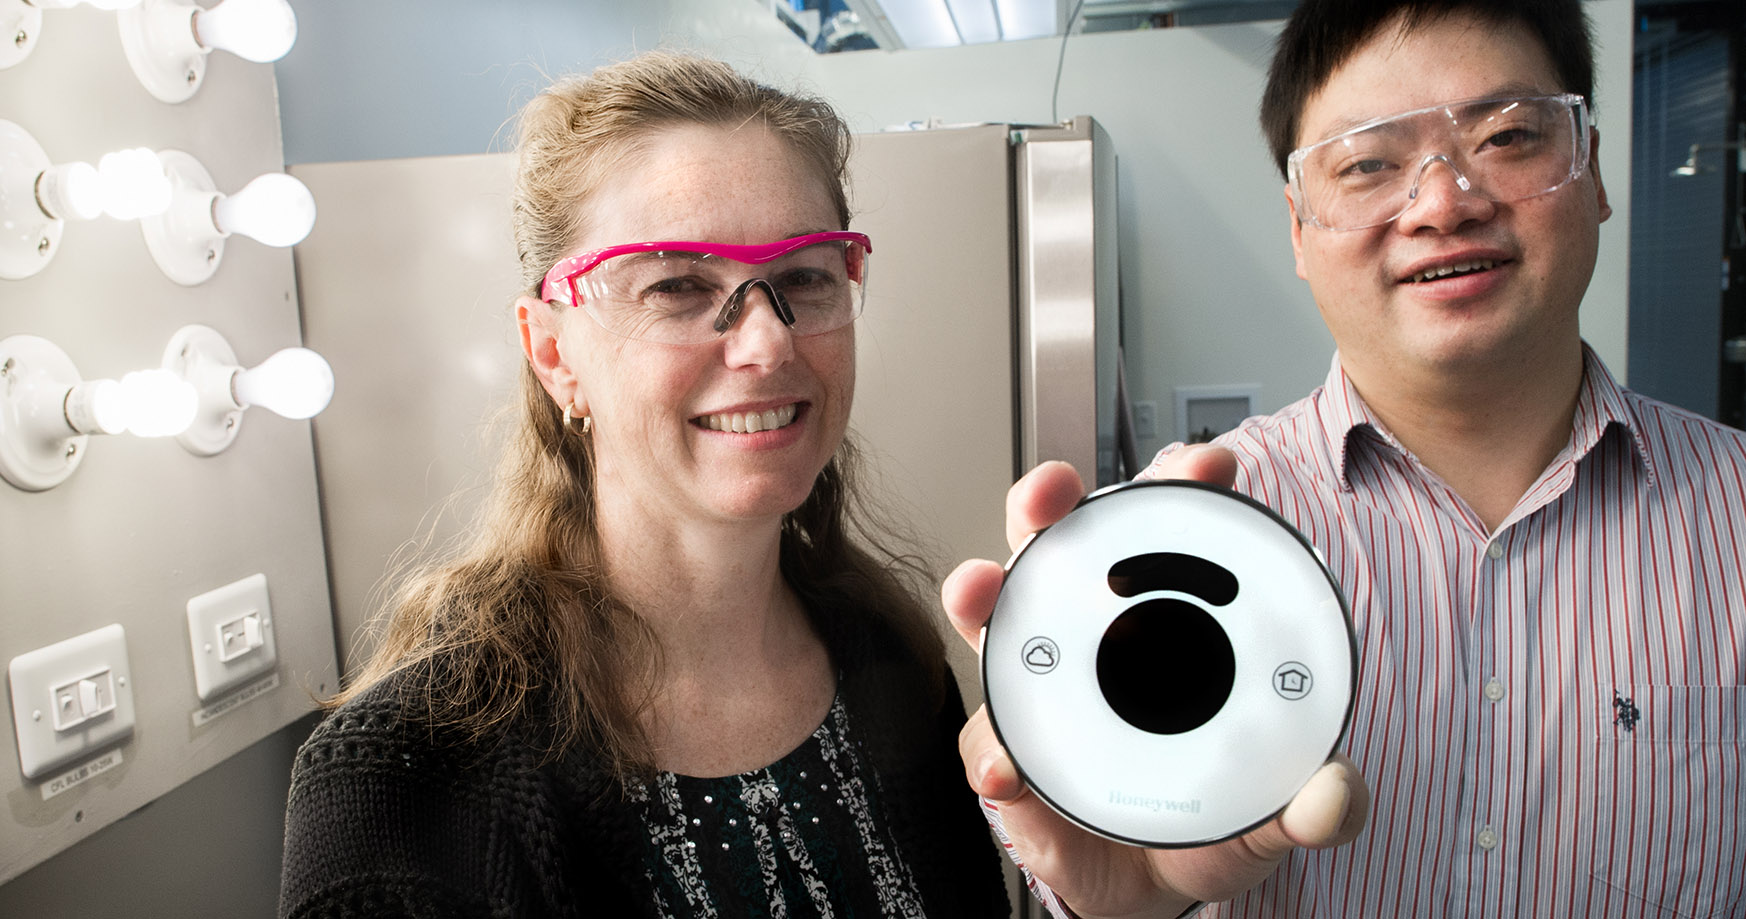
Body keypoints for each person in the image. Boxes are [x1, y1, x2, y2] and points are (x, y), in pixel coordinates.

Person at [946, 0, 1746, 916]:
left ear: (1593, 170)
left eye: (1509, 136)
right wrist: (1131, 906)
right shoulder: (1183, 540)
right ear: (1297, 226)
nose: (1445, 202)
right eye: (1369, 164)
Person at [276, 52, 1015, 918]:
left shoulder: (896, 665)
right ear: (554, 352)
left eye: (804, 277)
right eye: (676, 285)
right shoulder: (404, 775)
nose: (767, 345)